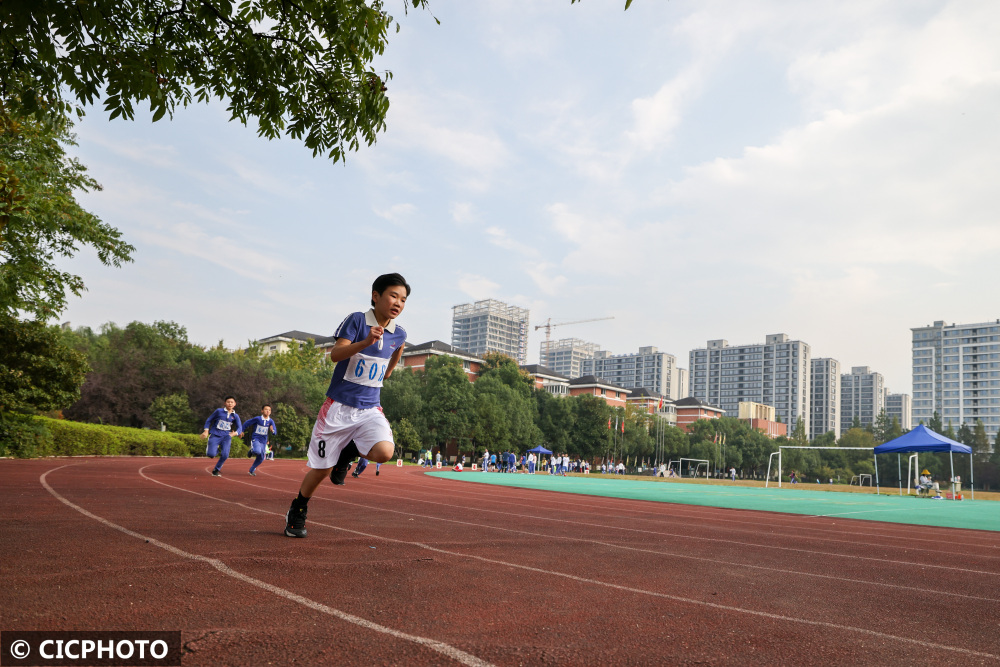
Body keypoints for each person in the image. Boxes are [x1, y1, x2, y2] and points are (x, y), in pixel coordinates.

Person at [284, 273, 409, 539]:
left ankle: (348, 451)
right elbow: (335, 355)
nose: (398, 302)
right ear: (376, 296)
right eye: (393, 295)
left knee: (386, 452)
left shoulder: (399, 334)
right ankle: (299, 507)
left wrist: (397, 351)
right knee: (321, 470)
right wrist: (365, 343)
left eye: (403, 299)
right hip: (338, 409)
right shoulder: (357, 320)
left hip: (369, 409)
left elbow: (386, 373)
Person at [201, 396, 242, 476]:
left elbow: (240, 427)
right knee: (211, 454)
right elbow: (209, 420)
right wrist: (206, 431)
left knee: (225, 455)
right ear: (225, 403)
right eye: (228, 402)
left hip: (226, 437)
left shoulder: (235, 416)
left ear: (235, 404)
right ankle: (214, 450)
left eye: (232, 402)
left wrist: (235, 433)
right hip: (215, 435)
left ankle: (216, 469)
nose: (230, 403)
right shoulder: (219, 411)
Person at [243, 404, 277, 476]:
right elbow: (247, 423)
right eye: (266, 409)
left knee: (261, 458)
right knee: (257, 451)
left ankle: (251, 470)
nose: (267, 411)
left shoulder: (271, 421)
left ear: (270, 412)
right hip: (256, 438)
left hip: (263, 441)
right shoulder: (258, 419)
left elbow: (275, 432)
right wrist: (242, 430)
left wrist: (272, 431)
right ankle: (252, 451)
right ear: (262, 411)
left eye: (269, 410)